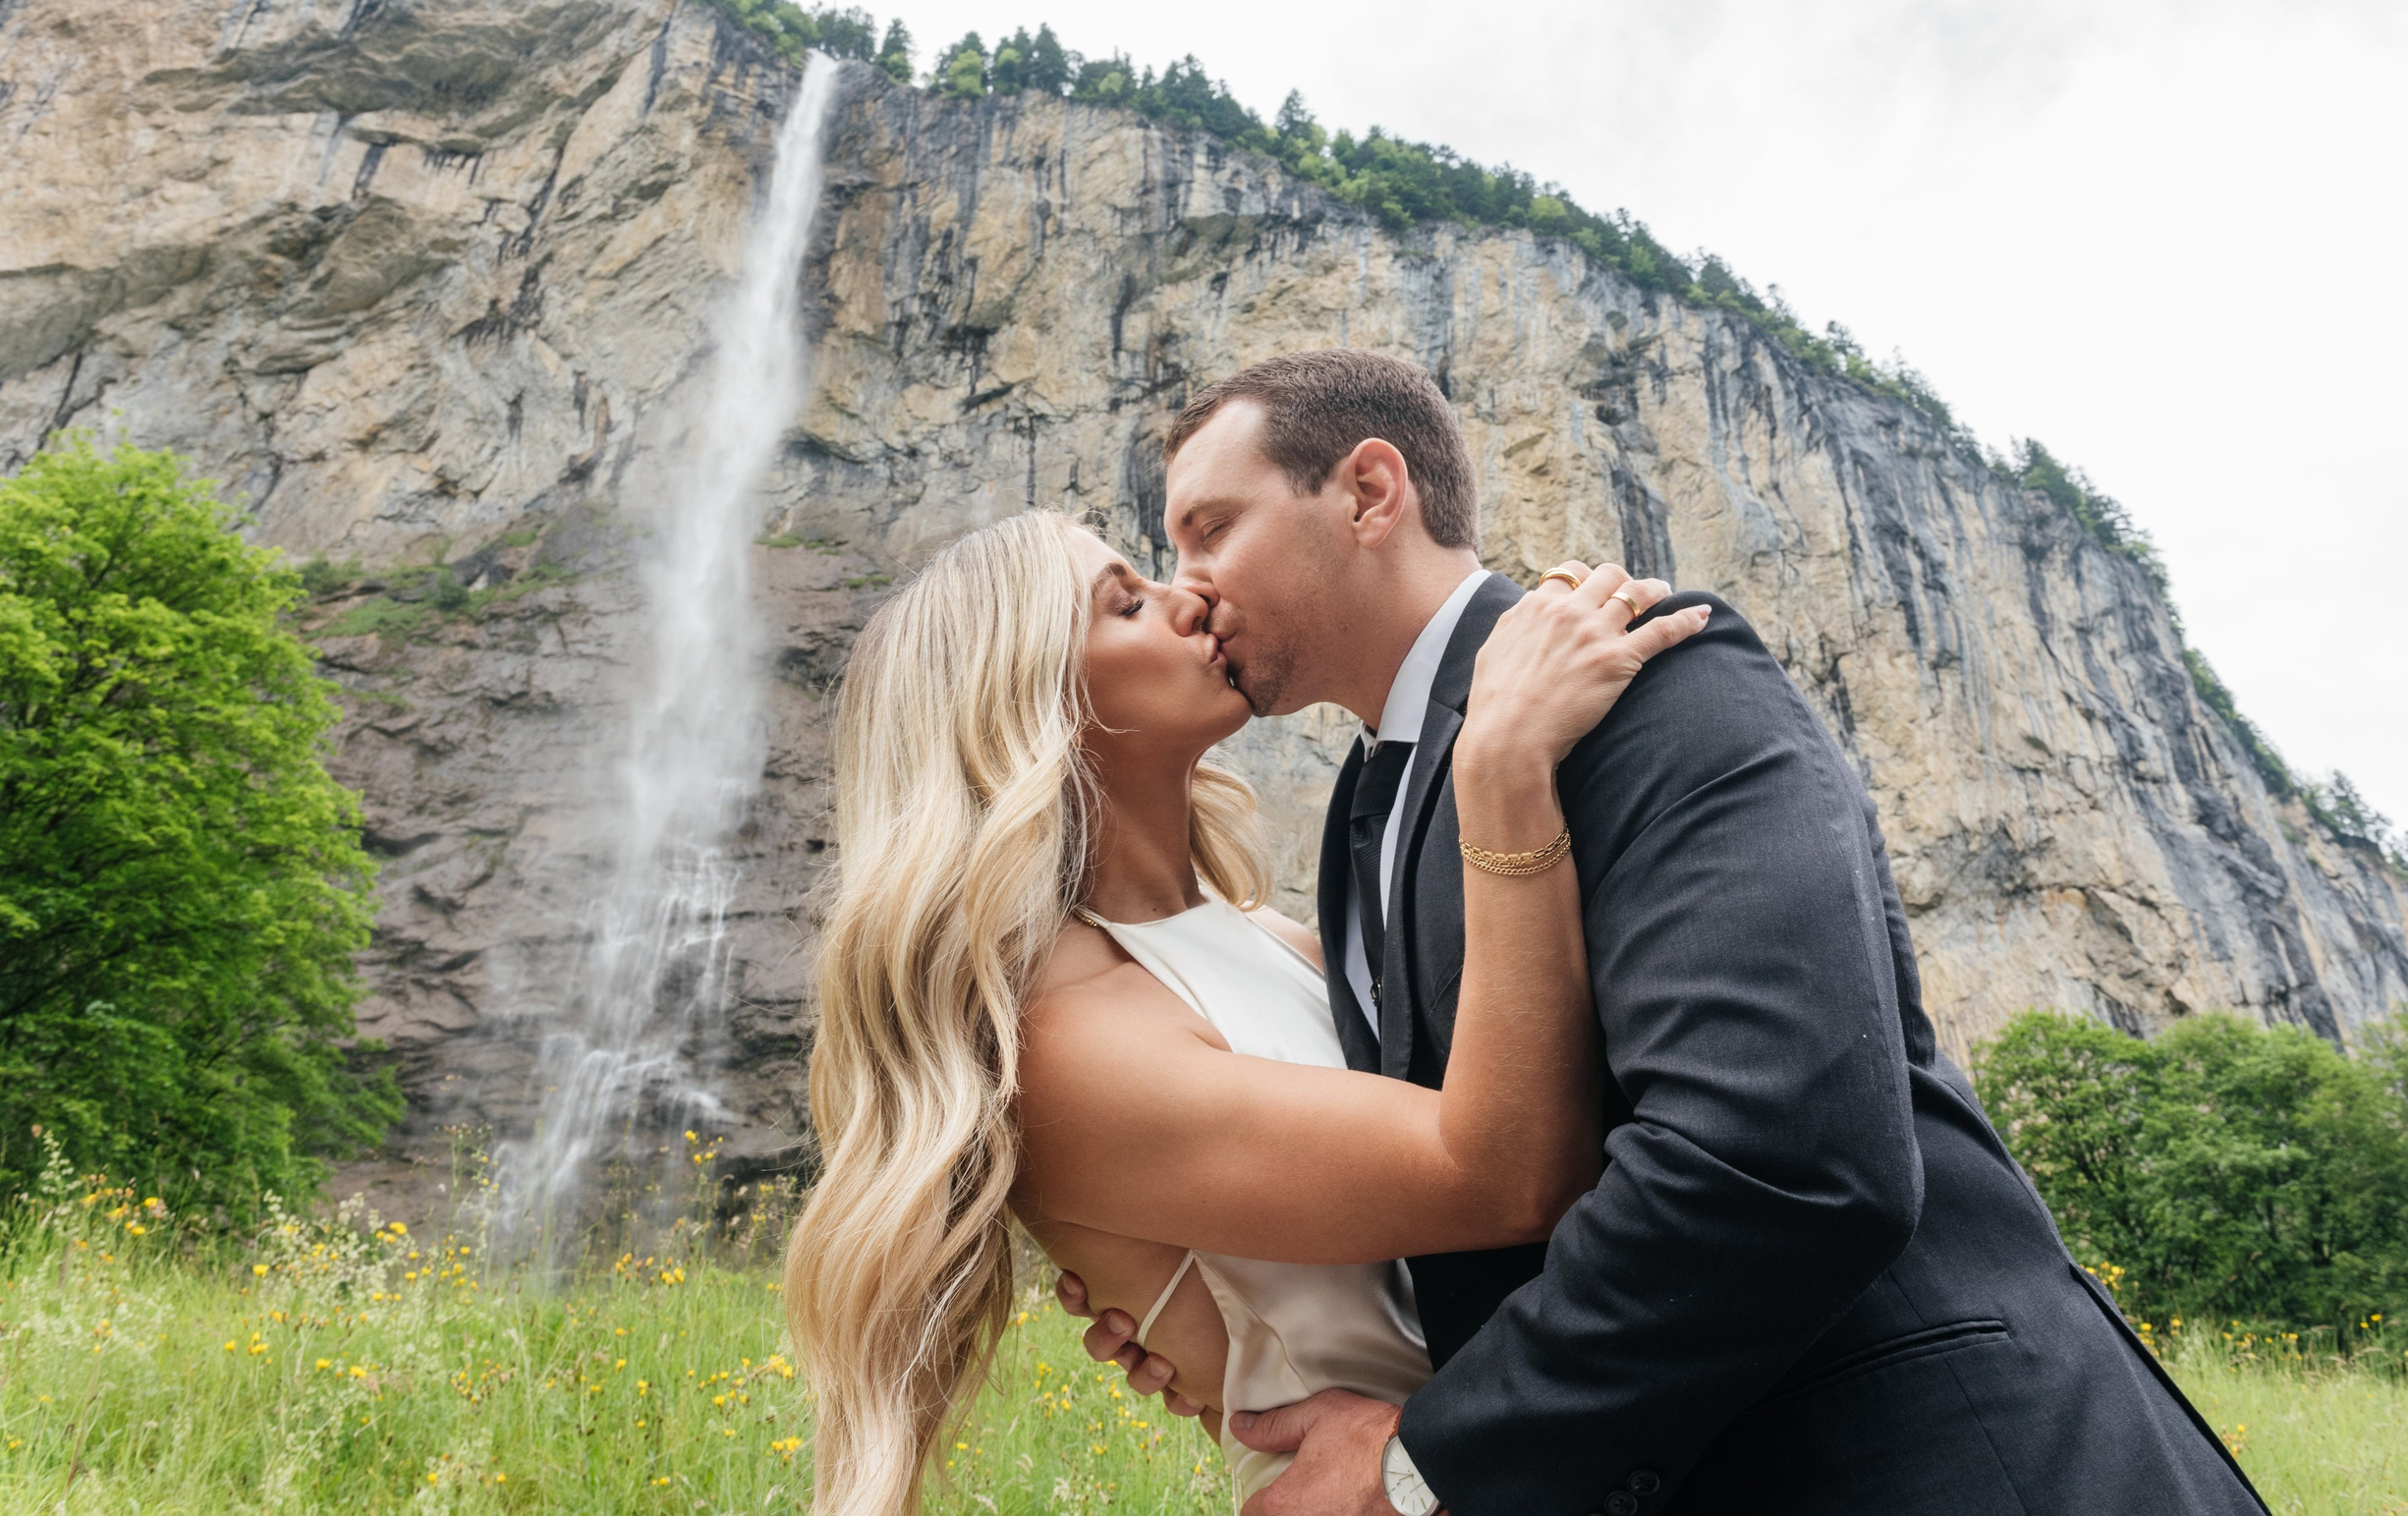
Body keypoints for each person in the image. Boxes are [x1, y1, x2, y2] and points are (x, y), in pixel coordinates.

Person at [1062, 350, 2268, 1515]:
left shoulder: (1637, 663)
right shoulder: (1355, 828)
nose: (1189, 584)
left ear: (1370, 493)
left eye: (1211, 528)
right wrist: (1199, 1313)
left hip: (1931, 1461)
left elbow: (1781, 1155)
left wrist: (1430, 1462)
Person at [781, 501, 1708, 1516]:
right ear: (1028, 700)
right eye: (1127, 601)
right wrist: (1500, 766)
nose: (1194, 601)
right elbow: (1508, 1173)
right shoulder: (1065, 1038)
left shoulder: (1258, 930)